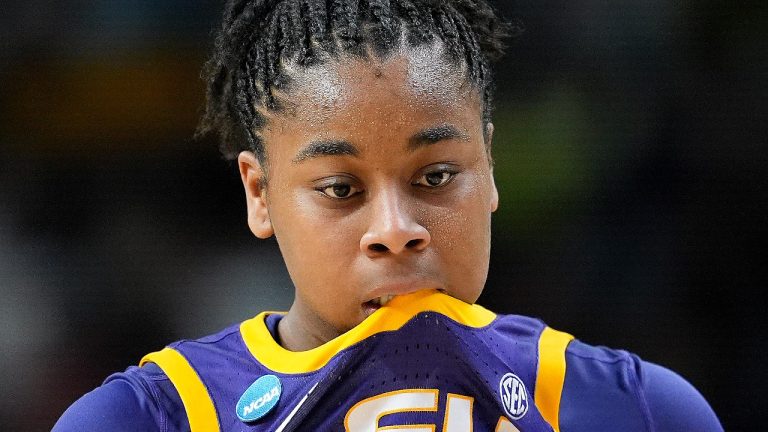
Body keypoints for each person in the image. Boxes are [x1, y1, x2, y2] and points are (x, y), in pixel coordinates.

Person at [53, 0, 722, 431]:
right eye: (341, 188)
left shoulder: (643, 410)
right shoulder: (147, 417)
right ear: (260, 194)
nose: (397, 229)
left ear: (487, 164)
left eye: (435, 176)